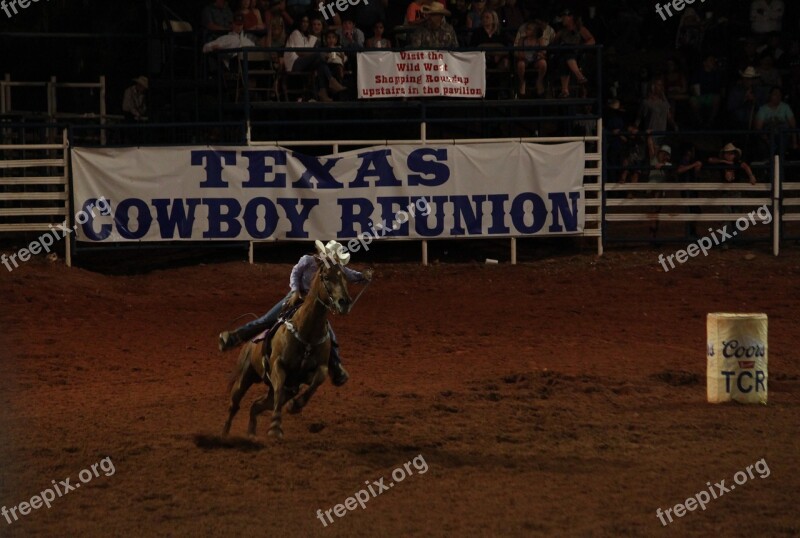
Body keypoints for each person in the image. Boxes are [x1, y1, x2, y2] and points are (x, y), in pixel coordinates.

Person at [219, 241, 373, 387]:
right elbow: (295, 273)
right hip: (297, 297)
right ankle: (234, 337)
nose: (335, 261)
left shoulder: (333, 267)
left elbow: (349, 274)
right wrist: (295, 291)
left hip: (314, 304)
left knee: (329, 336)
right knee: (267, 319)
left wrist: (363, 276)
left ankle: (336, 367)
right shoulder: (308, 260)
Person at [553, 9, 595, 98]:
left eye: (564, 17)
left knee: (567, 54)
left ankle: (565, 89)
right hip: (564, 55)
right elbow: (554, 43)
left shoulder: (580, 29)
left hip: (577, 56)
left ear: (570, 17)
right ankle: (578, 76)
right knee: (564, 55)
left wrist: (580, 47)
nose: (562, 19)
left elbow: (592, 41)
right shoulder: (561, 31)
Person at [514, 21, 547, 98]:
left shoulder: (540, 40)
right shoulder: (522, 40)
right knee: (520, 64)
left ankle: (539, 80)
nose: (526, 31)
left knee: (543, 63)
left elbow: (543, 53)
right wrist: (524, 57)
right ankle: (522, 82)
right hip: (525, 60)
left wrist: (538, 54)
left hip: (536, 60)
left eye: (528, 29)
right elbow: (520, 53)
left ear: (534, 31)